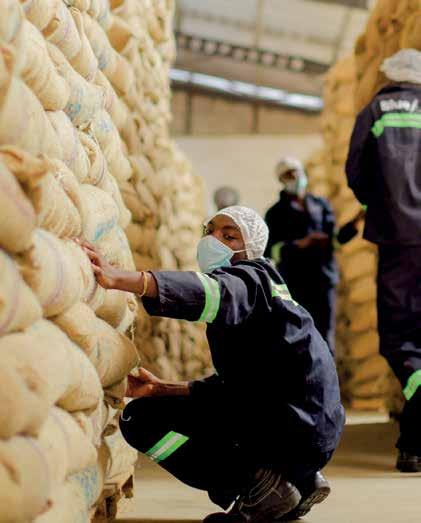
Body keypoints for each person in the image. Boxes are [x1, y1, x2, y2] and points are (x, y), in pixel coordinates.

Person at [81, 206, 345, 522]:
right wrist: (162, 389)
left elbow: (212, 292)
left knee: (140, 419)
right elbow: (243, 386)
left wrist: (122, 278)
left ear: (250, 249)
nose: (213, 239)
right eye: (210, 231)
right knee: (185, 406)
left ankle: (259, 487)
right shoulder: (271, 291)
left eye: (229, 236)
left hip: (290, 429)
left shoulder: (248, 279)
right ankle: (298, 480)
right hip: (310, 430)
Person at [346, 48, 421, 473]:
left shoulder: (374, 111)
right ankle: (412, 445)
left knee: (399, 339)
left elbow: (356, 173)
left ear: (389, 75)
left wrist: (381, 205)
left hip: (397, 241)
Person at [264, 157, 363, 354]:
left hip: (324, 278)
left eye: (297, 172)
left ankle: (327, 371)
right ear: (281, 179)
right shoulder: (275, 213)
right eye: (289, 174)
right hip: (296, 281)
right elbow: (271, 251)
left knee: (326, 333)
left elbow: (335, 240)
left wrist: (355, 222)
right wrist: (299, 244)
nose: (295, 177)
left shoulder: (321, 205)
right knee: (300, 332)